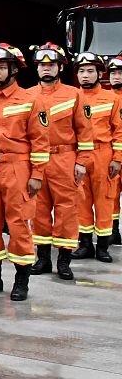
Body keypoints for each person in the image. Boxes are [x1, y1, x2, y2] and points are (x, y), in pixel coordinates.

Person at [0, 44, 49, 302]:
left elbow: (40, 141)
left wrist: (37, 174)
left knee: (19, 225)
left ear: (14, 70)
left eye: (1, 67)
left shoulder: (30, 100)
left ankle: (21, 280)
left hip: (17, 168)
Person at [28, 43, 91, 279]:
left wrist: (82, 161)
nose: (46, 68)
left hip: (64, 158)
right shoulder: (27, 96)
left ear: (60, 68)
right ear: (37, 68)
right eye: (42, 65)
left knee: (67, 210)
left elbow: (85, 131)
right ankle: (43, 258)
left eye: (51, 64)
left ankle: (64, 261)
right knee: (38, 209)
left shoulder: (75, 95)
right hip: (36, 161)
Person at [68, 52, 122, 263]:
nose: (85, 75)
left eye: (90, 71)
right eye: (81, 71)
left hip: (103, 154)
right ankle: (85, 244)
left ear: (100, 74)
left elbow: (119, 131)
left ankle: (102, 247)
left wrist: (117, 158)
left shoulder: (112, 98)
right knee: (81, 201)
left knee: (105, 201)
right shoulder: (72, 97)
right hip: (79, 154)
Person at [110, 55, 122, 245]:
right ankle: (113, 231)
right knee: (111, 194)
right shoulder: (106, 98)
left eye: (120, 73)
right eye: (113, 73)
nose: (116, 77)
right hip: (112, 153)